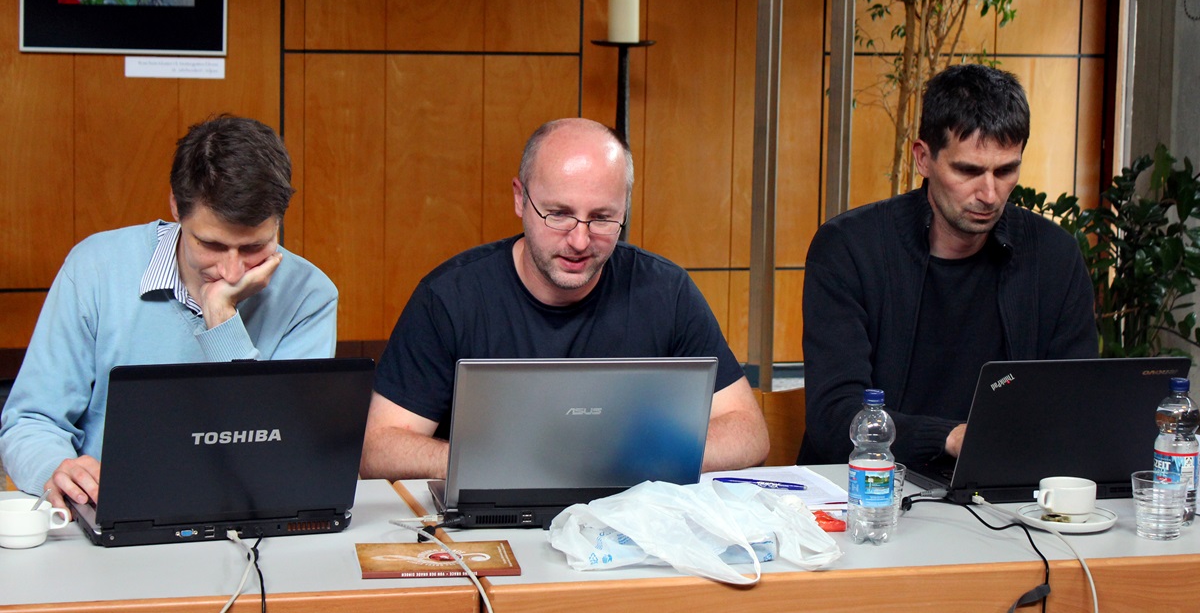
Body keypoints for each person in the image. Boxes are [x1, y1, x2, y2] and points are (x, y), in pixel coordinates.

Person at [361, 118, 769, 480]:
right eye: (558, 213)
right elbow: (378, 446)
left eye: (603, 218)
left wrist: (622, 461)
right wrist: (498, 462)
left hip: (628, 515)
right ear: (520, 199)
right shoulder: (450, 298)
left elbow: (747, 434)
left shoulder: (666, 291)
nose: (579, 240)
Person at [0, 116, 338, 512]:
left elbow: (277, 454)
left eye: (253, 248)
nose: (232, 271)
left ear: (279, 221)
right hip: (109, 510)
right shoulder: (96, 268)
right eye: (211, 244)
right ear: (176, 207)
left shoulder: (309, 295)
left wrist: (222, 320)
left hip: (246, 514)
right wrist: (56, 469)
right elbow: (30, 421)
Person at [798, 64, 1098, 467]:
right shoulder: (849, 249)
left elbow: (1078, 405)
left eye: (1006, 170)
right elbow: (834, 420)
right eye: (968, 170)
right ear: (923, 158)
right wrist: (951, 437)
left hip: (1004, 496)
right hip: (867, 492)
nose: (989, 194)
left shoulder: (1054, 256)